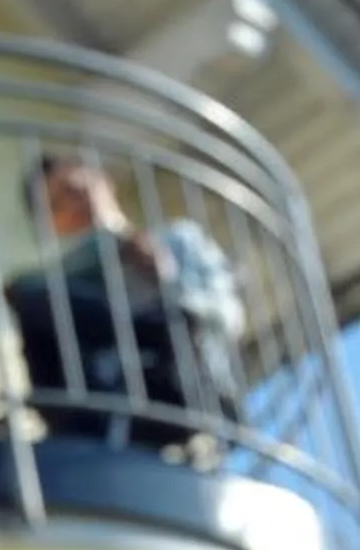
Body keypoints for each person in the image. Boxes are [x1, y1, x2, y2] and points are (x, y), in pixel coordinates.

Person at [18, 154, 246, 441]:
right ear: (53, 223)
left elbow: (227, 316)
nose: (75, 202)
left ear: (104, 183)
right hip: (108, 409)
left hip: (186, 392)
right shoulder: (57, 284)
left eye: (77, 187)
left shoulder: (180, 240)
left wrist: (168, 285)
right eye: (58, 202)